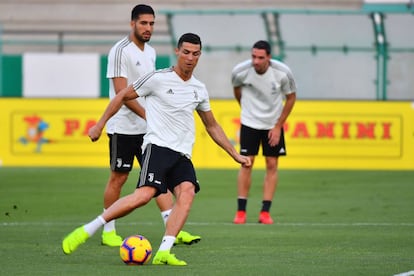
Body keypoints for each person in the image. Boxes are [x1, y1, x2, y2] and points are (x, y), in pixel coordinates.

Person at [62, 33, 251, 265]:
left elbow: (211, 125)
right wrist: (100, 124)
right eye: (186, 52)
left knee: (187, 193)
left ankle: (164, 252)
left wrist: (235, 154)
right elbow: (122, 94)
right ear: (177, 52)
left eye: (195, 54)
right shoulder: (157, 78)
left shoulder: (199, 89)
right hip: (158, 148)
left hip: (182, 154)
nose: (190, 58)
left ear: (199, 55)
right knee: (144, 195)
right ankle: (88, 229)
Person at [102, 4, 200, 247]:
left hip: (148, 130)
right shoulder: (120, 51)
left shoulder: (151, 52)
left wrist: (151, 117)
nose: (148, 28)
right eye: (144, 23)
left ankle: (172, 227)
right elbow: (121, 93)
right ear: (132, 23)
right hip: (123, 126)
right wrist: (149, 115)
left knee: (159, 180)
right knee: (119, 177)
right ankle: (108, 230)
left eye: (152, 23)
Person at [231, 40, 296, 225]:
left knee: (272, 164)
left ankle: (265, 212)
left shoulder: (283, 73)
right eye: (253, 56)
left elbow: (291, 98)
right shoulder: (240, 72)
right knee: (246, 164)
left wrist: (278, 126)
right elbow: (237, 91)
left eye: (260, 57)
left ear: (269, 57)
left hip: (272, 124)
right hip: (249, 123)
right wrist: (247, 111)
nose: (256, 61)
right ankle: (241, 211)